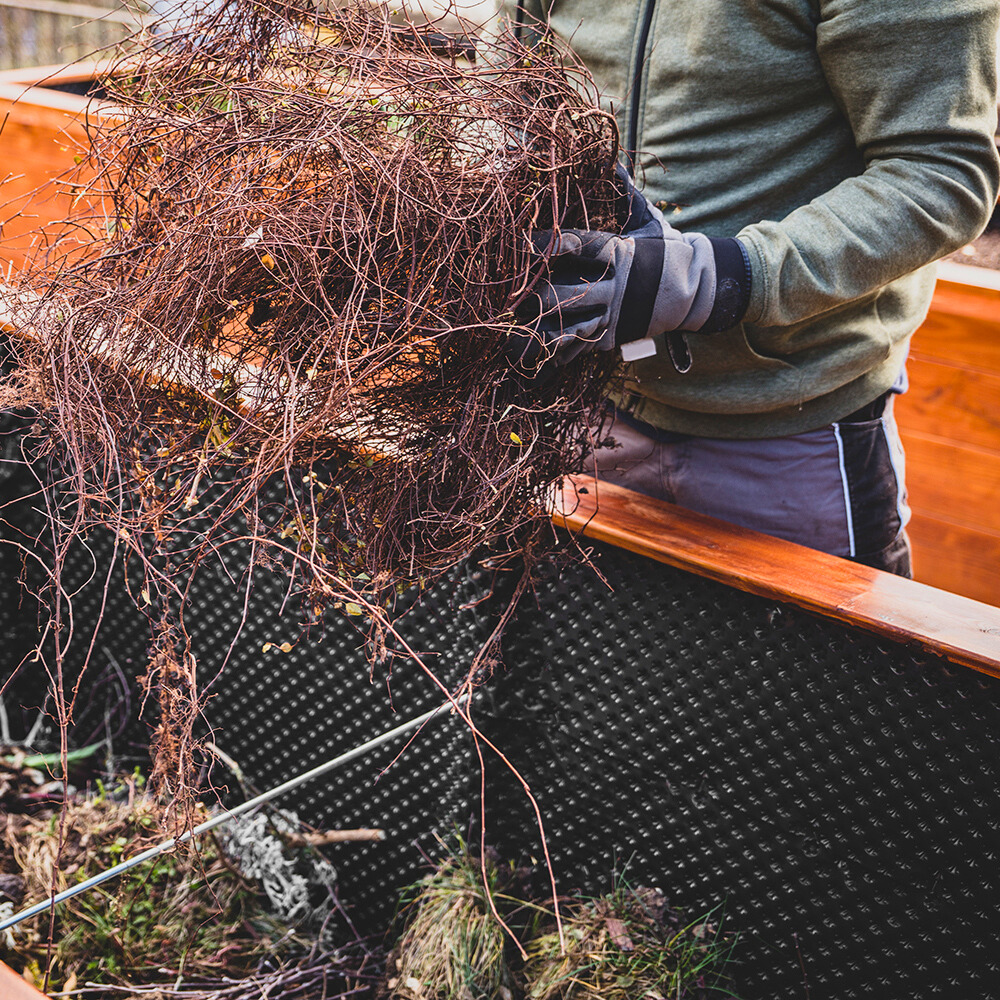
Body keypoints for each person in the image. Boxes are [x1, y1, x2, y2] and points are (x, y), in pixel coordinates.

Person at [502, 0, 1000, 576]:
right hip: (586, 408)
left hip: (789, 430)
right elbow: (527, 90)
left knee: (813, 667)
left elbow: (938, 173)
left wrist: (719, 279)